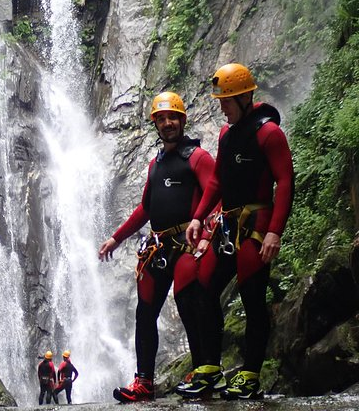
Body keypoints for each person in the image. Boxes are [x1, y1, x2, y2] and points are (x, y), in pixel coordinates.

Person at [181, 63, 294, 400]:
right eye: (221, 101)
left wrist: (275, 231)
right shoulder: (226, 135)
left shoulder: (269, 133)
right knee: (203, 290)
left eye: (227, 101)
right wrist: (199, 218)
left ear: (246, 97)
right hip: (227, 225)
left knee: (253, 298)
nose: (222, 107)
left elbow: (285, 181)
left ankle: (250, 372)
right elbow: (217, 181)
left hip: (256, 224)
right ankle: (210, 368)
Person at [98, 91, 216, 403]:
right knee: (145, 312)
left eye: (172, 117)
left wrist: (205, 235)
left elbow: (216, 195)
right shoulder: (155, 164)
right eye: (161, 119)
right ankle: (144, 382)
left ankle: (203, 371)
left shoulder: (198, 158)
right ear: (155, 124)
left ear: (182, 119)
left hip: (187, 243)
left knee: (188, 302)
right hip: (159, 245)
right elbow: (145, 209)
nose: (167, 123)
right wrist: (117, 237)